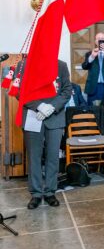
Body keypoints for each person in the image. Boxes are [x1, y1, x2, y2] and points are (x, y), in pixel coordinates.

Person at [19, 60, 72, 209]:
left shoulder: (61, 65)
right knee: (34, 156)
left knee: (53, 156)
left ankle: (50, 192)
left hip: (55, 116)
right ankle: (35, 193)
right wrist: (39, 106)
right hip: (33, 115)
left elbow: (67, 90)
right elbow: (19, 90)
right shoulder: (25, 65)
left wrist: (52, 107)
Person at [81, 32, 104, 106]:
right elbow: (84, 66)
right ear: (95, 41)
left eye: (102, 39)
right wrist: (92, 57)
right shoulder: (89, 54)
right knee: (92, 110)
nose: (100, 41)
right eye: (98, 39)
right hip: (93, 86)